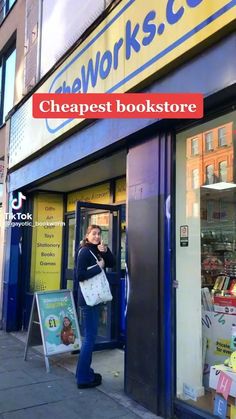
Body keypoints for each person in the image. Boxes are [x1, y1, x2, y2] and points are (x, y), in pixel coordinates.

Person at [75, 224, 115, 389]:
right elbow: (80, 275)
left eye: (99, 234)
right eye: (93, 234)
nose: (97, 236)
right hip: (88, 301)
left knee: (90, 337)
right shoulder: (84, 252)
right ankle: (83, 378)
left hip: (94, 299)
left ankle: (83, 372)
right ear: (87, 235)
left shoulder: (96, 250)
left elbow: (111, 262)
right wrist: (98, 268)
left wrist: (106, 251)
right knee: (90, 338)